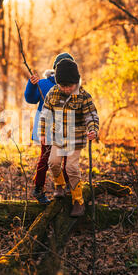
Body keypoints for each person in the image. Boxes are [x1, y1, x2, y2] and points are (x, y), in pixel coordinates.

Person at [39, 58, 99, 217]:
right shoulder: (53, 93)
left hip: (76, 139)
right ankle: (59, 185)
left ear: (76, 81)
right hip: (58, 138)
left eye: (69, 86)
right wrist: (43, 133)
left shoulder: (83, 96)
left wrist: (92, 129)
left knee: (71, 168)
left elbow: (91, 115)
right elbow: (45, 114)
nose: (66, 89)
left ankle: (78, 200)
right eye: (62, 85)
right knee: (53, 162)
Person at [24, 52, 74, 204]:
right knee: (45, 158)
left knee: (66, 159)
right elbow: (30, 98)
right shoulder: (45, 84)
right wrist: (31, 84)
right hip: (46, 126)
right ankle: (38, 189)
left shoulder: (73, 86)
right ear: (55, 69)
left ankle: (67, 189)